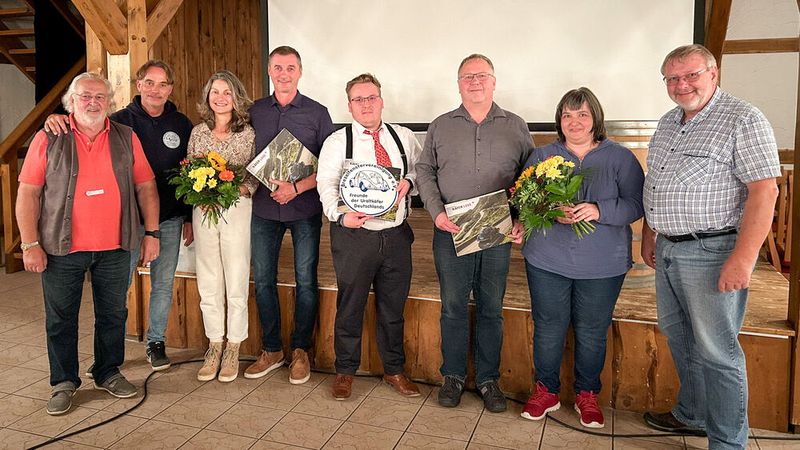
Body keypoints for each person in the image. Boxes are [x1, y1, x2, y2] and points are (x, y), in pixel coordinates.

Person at [641, 45, 780, 449]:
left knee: (719, 353)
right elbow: (658, 182)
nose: (681, 85)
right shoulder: (669, 122)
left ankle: (727, 442)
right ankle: (692, 413)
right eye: (672, 78)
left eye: (691, 75)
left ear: (713, 74)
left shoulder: (744, 119)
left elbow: (764, 191)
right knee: (679, 337)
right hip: (668, 249)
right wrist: (652, 233)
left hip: (713, 251)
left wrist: (743, 259)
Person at [16, 72, 160, 415]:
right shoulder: (48, 138)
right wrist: (28, 243)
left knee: (113, 314)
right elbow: (28, 192)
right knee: (60, 318)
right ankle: (63, 382)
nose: (93, 102)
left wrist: (151, 234)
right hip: (61, 249)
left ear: (109, 102)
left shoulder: (126, 136)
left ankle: (108, 371)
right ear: (71, 101)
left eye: (99, 96)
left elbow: (146, 187)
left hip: (116, 247)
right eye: (85, 96)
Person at [45, 60, 194, 372]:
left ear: (170, 89)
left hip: (166, 219)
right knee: (115, 289)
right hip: (122, 222)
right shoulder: (117, 121)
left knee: (163, 282)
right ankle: (107, 357)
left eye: (163, 83)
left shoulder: (182, 124)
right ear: (138, 85)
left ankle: (156, 341)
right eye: (150, 82)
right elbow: (81, 126)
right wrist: (54, 118)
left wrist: (188, 216)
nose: (156, 89)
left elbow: (190, 173)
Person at [517, 88, 644, 428]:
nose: (575, 122)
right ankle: (546, 391)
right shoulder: (542, 156)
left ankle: (588, 394)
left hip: (603, 264)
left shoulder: (620, 157)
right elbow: (524, 201)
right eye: (567, 116)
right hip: (547, 259)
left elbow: (637, 203)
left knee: (591, 330)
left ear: (595, 119)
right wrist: (549, 209)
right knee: (548, 326)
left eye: (582, 115)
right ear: (560, 121)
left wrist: (598, 209)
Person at [415, 54, 530, 413]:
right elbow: (425, 171)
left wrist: (521, 218)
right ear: (459, 83)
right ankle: (451, 376)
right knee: (452, 305)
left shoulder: (516, 125)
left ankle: (487, 379)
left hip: (497, 232)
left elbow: (532, 177)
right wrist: (436, 213)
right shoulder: (440, 125)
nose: (475, 82)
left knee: (491, 307)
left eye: (482, 76)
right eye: (467, 77)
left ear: (494, 81)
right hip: (452, 231)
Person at [317, 73, 422, 400]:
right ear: (349, 105)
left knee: (393, 309)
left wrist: (410, 183)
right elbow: (326, 186)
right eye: (359, 99)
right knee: (350, 306)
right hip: (354, 236)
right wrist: (339, 215)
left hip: (396, 237)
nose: (366, 104)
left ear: (381, 100)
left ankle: (394, 370)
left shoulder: (403, 136)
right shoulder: (337, 142)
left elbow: (421, 170)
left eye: (371, 97)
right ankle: (345, 372)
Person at [244, 46, 335, 384]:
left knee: (306, 281)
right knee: (264, 280)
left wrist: (295, 188)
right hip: (264, 210)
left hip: (304, 209)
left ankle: (301, 351)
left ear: (300, 72)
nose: (284, 73)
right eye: (278, 67)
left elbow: (329, 168)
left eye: (290, 68)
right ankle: (271, 348)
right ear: (269, 71)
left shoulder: (318, 113)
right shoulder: (253, 111)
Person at [189, 70, 258, 383]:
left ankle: (234, 346)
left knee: (236, 273)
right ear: (208, 97)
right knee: (209, 276)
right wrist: (201, 192)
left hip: (237, 208)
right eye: (215, 92)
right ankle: (214, 344)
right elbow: (191, 170)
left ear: (236, 96)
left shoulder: (248, 134)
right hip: (204, 210)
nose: (220, 98)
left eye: (226, 92)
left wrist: (236, 190)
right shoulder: (197, 133)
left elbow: (254, 175)